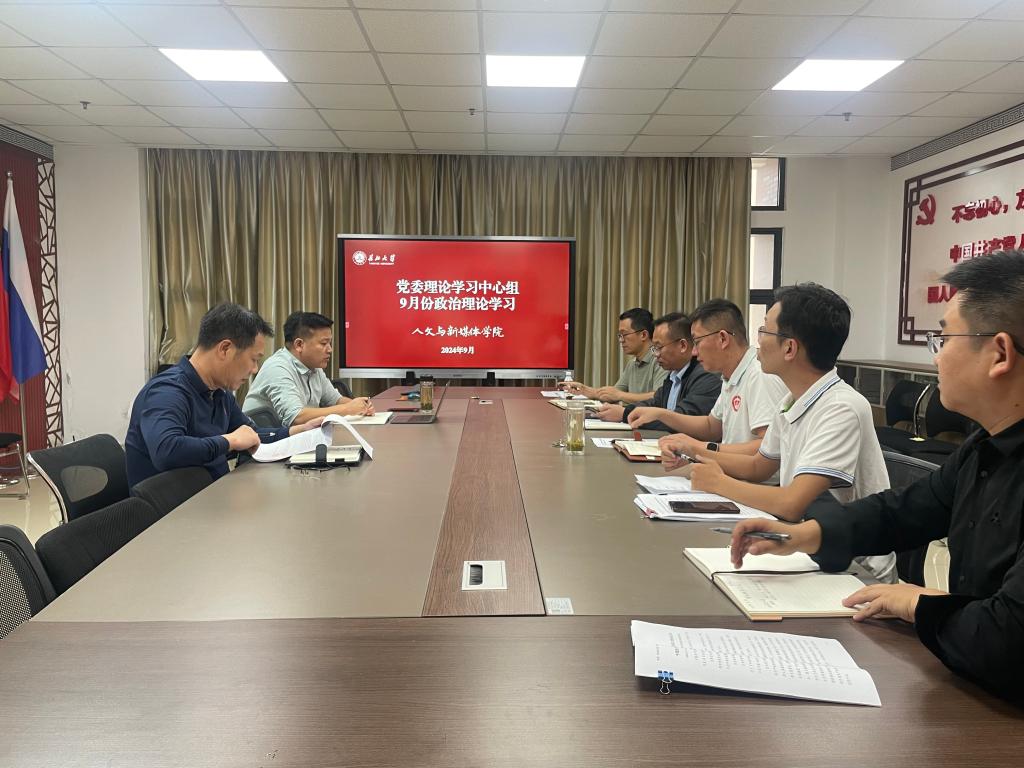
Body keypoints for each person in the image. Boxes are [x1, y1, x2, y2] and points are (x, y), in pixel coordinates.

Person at [727, 250, 1024, 702]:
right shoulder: (984, 447)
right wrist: (807, 535)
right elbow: (903, 511)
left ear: (999, 353)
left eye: (944, 339)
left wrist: (918, 603)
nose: (936, 358)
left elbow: (1008, 640)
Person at [675, 284, 895, 582]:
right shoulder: (791, 400)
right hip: (810, 548)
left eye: (764, 331)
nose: (757, 342)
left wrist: (719, 482)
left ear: (789, 348)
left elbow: (793, 503)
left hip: (856, 568)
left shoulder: (841, 408)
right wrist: (701, 455)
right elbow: (758, 466)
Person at [126, 303, 323, 487]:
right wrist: (230, 441)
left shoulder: (219, 392)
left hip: (214, 493)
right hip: (176, 507)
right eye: (253, 359)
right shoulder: (166, 391)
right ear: (225, 349)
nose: (255, 369)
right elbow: (166, 450)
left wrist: (299, 430)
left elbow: (251, 436)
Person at [628, 299, 787, 455]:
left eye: (697, 342)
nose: (694, 351)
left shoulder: (759, 375)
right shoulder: (731, 375)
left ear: (723, 339)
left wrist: (698, 447)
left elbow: (768, 447)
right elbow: (711, 426)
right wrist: (661, 414)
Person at [243, 311, 373, 427]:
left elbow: (335, 400)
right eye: (324, 343)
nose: (330, 350)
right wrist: (348, 409)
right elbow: (296, 418)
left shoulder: (314, 367)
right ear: (299, 344)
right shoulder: (277, 368)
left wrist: (361, 406)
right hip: (266, 442)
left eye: (330, 343)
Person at [595, 312, 721, 430]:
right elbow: (654, 403)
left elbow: (680, 419)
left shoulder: (706, 377)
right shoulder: (673, 375)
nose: (655, 354)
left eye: (659, 347)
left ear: (682, 346)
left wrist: (625, 414)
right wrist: (625, 411)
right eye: (654, 348)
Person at [561, 308, 667, 403]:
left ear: (643, 335)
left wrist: (620, 395)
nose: (621, 340)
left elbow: (658, 397)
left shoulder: (660, 361)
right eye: (620, 335)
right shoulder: (632, 363)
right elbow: (613, 394)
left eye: (624, 334)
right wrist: (585, 390)